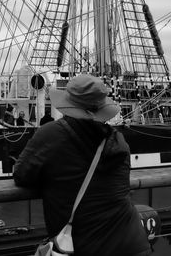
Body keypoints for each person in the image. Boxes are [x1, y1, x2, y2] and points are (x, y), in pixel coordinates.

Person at [13, 74, 150, 256]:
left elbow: (22, 175)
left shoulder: (50, 135)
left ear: (68, 105)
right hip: (132, 242)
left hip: (86, 245)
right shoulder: (118, 140)